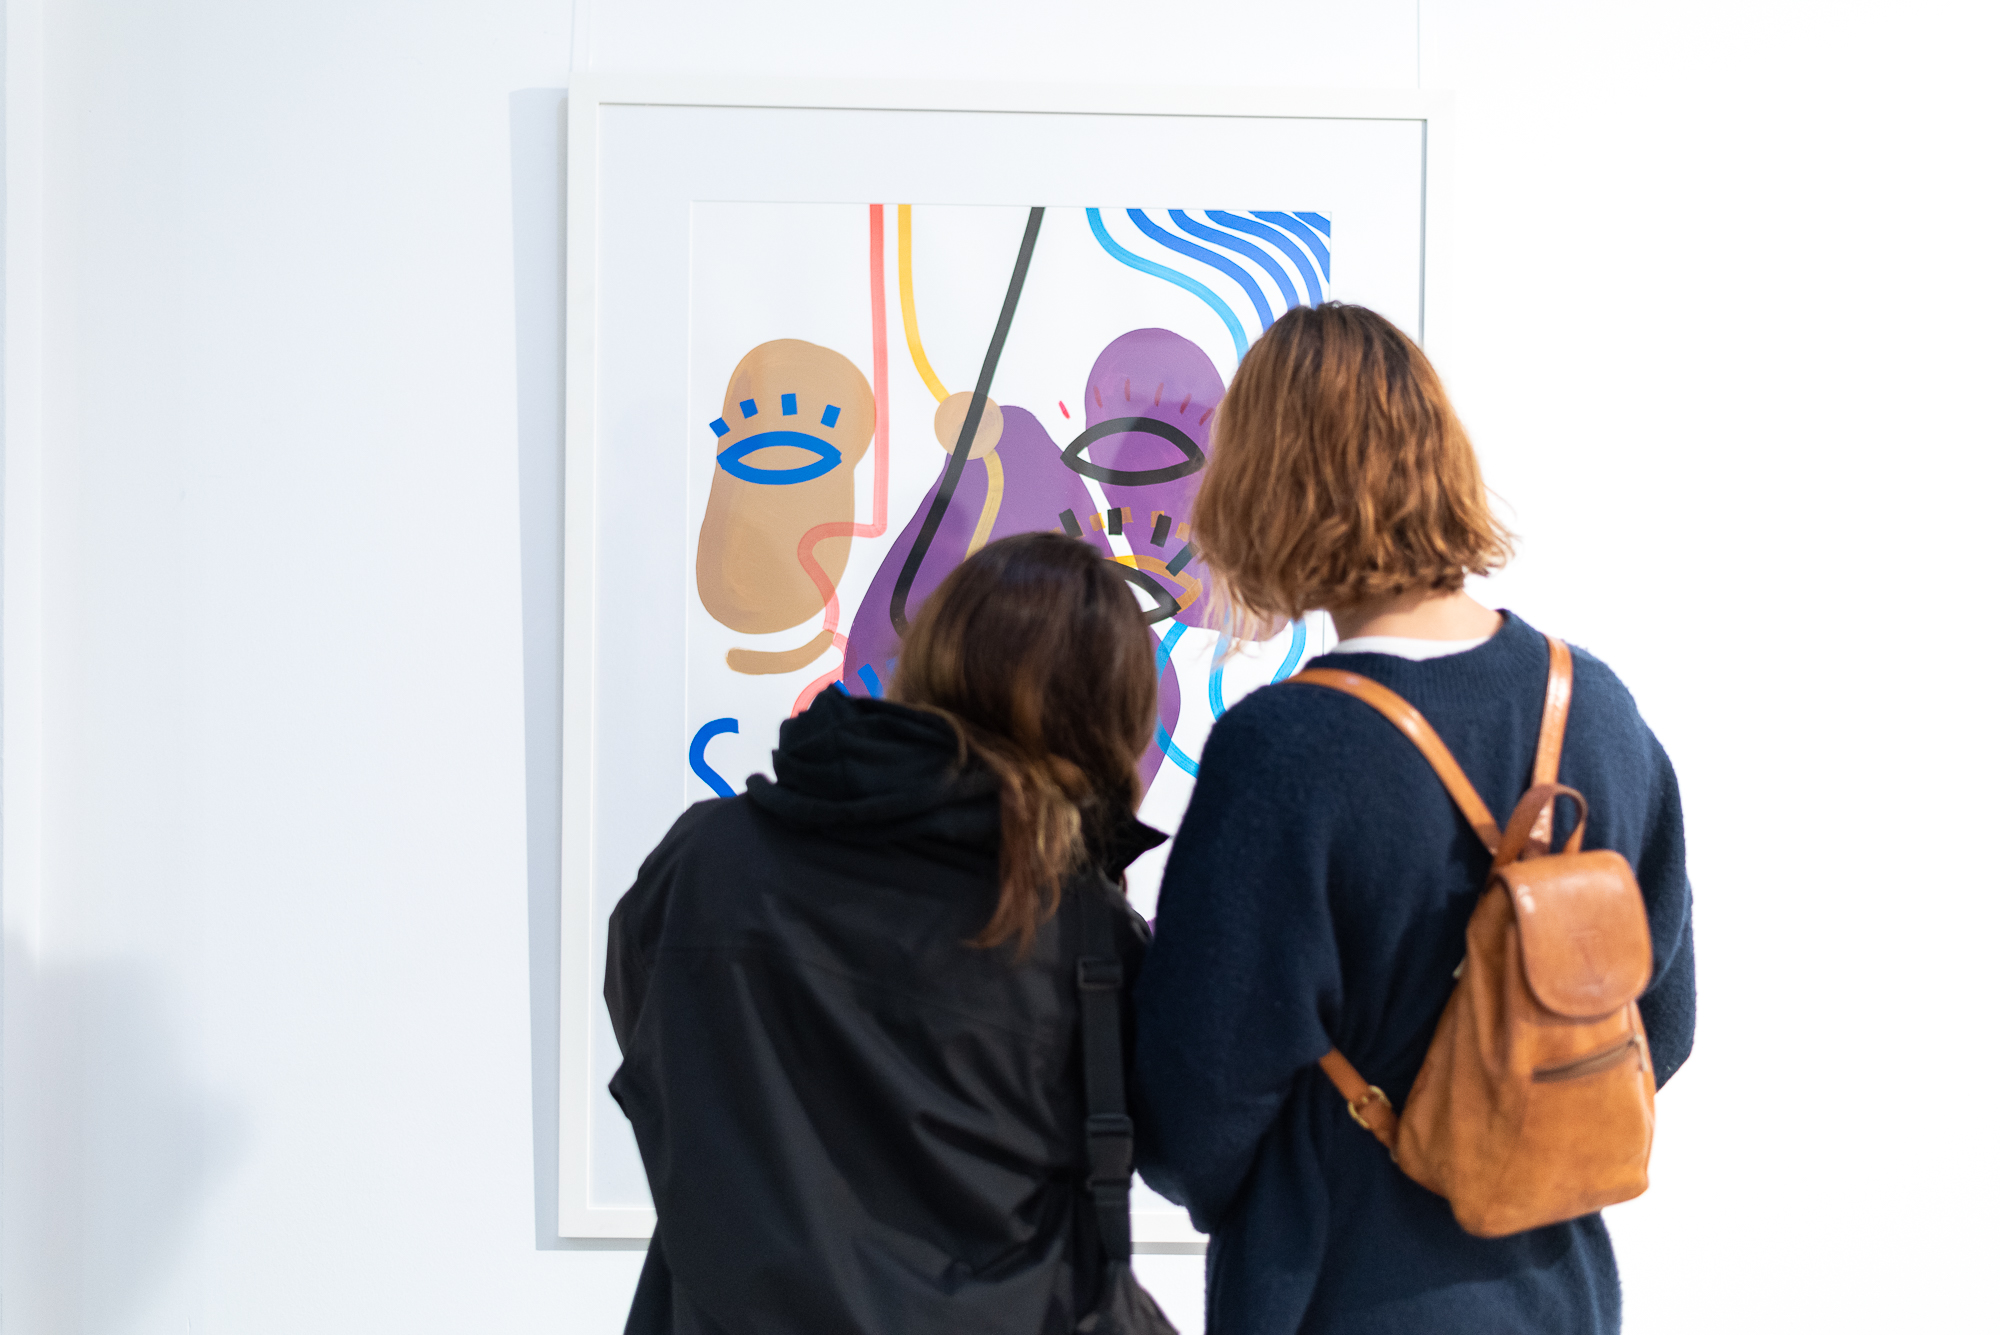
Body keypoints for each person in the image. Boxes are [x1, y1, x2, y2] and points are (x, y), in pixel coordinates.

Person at [1133, 303, 1696, 1334]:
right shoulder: (1599, 710)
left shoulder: (1284, 749)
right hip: (1558, 1293)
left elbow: (1197, 1105)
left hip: (1336, 1289)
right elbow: (1659, 1022)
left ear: (1265, 487)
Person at [605, 532, 1169, 1335]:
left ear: (929, 654)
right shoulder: (1087, 945)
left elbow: (652, 1047)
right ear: (1115, 721)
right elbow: (1178, 1147)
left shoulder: (704, 861)